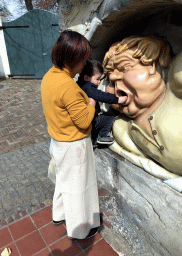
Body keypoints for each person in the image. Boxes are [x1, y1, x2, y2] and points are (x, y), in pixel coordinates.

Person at [102, 35, 182, 199]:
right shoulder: (122, 128)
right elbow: (145, 164)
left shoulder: (180, 76)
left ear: (156, 64)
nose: (114, 78)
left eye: (124, 68)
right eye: (109, 78)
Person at [41, 30, 100, 239]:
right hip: (74, 145)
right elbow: (84, 121)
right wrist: (92, 101)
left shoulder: (50, 76)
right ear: (71, 59)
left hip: (57, 141)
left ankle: (58, 214)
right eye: (83, 60)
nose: (84, 65)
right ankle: (80, 230)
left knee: (63, 180)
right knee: (78, 189)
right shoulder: (68, 86)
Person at [77, 59, 127, 145]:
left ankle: (91, 139)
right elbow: (100, 95)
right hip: (89, 123)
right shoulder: (88, 86)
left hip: (81, 122)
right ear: (86, 78)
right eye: (97, 79)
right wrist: (117, 99)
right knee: (109, 116)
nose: (99, 82)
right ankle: (103, 136)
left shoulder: (79, 84)